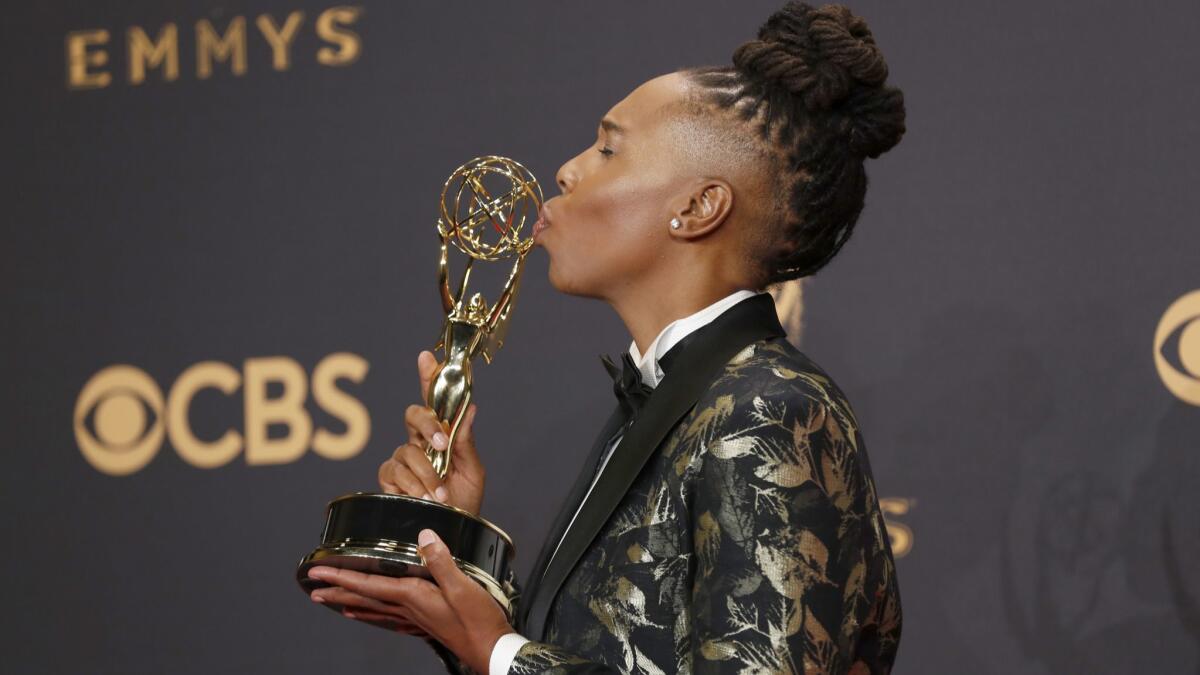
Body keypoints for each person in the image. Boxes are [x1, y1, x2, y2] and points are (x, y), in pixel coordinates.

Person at [305, 2, 907, 672]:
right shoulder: (670, 403)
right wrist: (461, 566)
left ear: (696, 207)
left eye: (608, 149)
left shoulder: (769, 407)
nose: (567, 170)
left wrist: (499, 651)